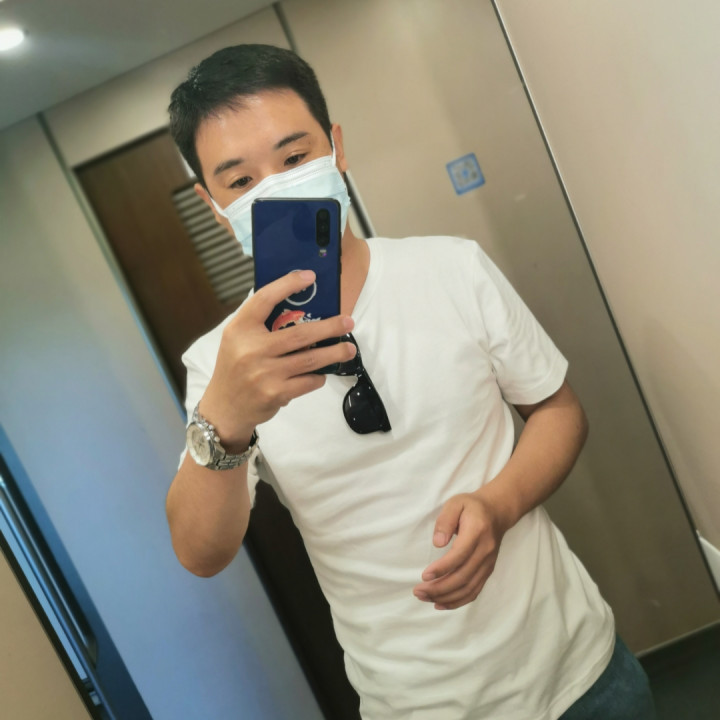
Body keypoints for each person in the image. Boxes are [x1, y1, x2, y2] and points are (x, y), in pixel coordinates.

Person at [165, 44, 655, 720]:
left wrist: (498, 505)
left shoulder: (453, 269)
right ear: (214, 205)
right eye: (241, 179)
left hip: (580, 672)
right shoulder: (216, 365)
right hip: (415, 705)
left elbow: (559, 412)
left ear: (336, 148)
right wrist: (225, 416)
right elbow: (200, 552)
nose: (275, 188)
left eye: (295, 157)